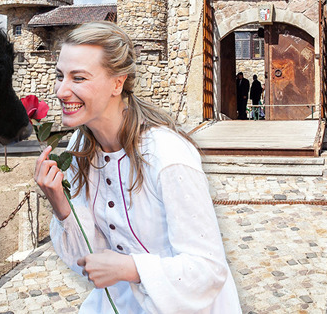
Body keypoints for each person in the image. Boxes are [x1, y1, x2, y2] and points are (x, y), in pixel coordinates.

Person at [34, 21, 241, 314]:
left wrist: (132, 268)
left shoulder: (168, 155)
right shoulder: (78, 148)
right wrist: (61, 205)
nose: (61, 90)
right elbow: (88, 263)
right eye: (60, 76)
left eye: (78, 78)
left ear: (118, 83)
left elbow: (207, 270)